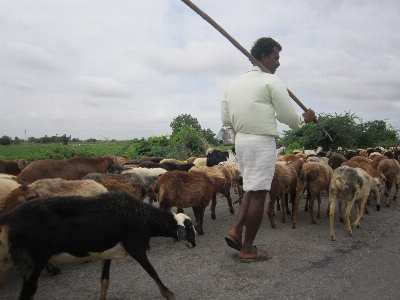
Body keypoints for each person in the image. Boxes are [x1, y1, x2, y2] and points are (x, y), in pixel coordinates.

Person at [221, 37, 316, 263]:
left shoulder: (232, 85)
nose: (278, 63)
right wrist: (306, 120)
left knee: (252, 189)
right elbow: (288, 118)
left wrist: (238, 139)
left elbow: (225, 121)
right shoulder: (272, 82)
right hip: (261, 142)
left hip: (241, 143)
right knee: (259, 193)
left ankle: (236, 231)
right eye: (276, 58)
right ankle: (247, 249)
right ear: (264, 57)